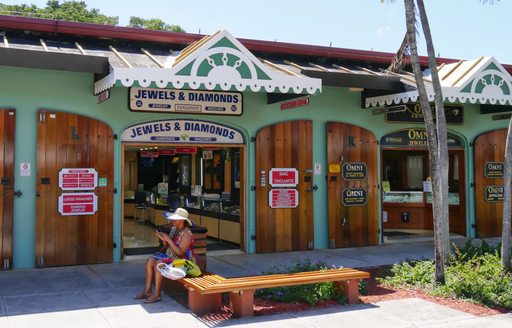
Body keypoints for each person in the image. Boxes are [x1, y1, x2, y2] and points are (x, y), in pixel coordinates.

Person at [134, 207, 195, 303]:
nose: (172, 220)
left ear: (182, 220)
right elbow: (168, 247)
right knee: (150, 260)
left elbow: (180, 253)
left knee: (159, 263)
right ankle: (147, 291)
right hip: (174, 258)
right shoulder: (175, 229)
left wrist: (169, 240)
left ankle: (157, 294)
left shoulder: (186, 233)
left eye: (175, 218)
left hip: (185, 262)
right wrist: (164, 239)